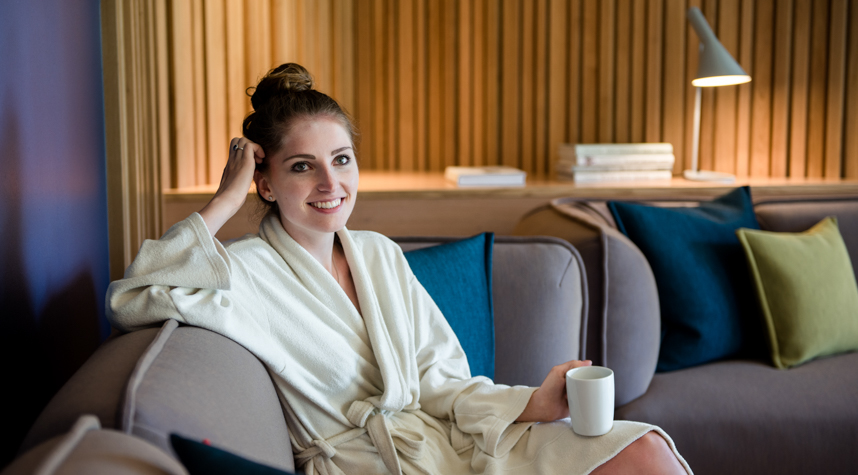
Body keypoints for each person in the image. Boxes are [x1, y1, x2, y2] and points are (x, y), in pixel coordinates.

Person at [107, 63, 690, 475]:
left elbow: (440, 382)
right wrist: (225, 201)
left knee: (644, 453)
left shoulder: (378, 254)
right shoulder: (242, 272)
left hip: (449, 443)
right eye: (302, 166)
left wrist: (534, 404)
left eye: (341, 160)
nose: (331, 183)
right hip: (368, 463)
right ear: (265, 182)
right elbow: (131, 295)